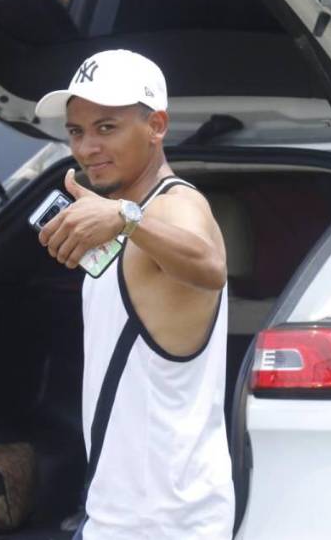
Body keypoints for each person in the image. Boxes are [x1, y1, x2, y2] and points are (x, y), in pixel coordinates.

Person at [35, 50, 234, 539]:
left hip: (165, 520)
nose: (86, 147)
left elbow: (210, 265)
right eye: (76, 131)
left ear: (156, 126)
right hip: (124, 513)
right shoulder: (136, 215)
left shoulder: (174, 205)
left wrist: (128, 219)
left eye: (106, 127)